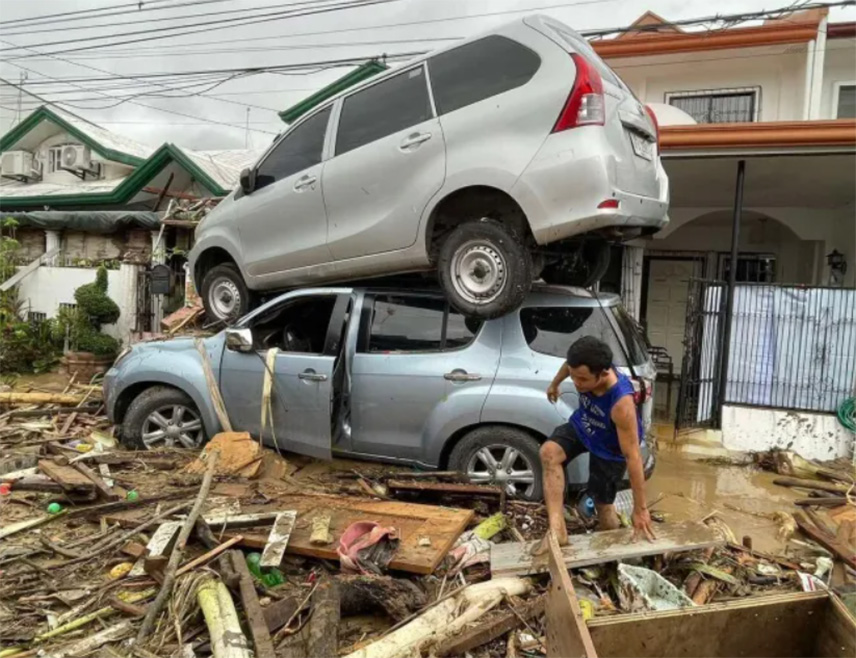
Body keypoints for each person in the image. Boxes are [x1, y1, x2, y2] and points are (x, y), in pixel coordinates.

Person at [537, 335, 655, 550]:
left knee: (603, 506)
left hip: (611, 449)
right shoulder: (582, 367)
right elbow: (569, 366)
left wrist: (640, 509)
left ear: (603, 374)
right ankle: (557, 530)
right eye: (574, 377)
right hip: (585, 426)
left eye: (582, 379)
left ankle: (613, 550)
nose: (577, 383)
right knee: (549, 452)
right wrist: (555, 384)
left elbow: (633, 456)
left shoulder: (621, 403)